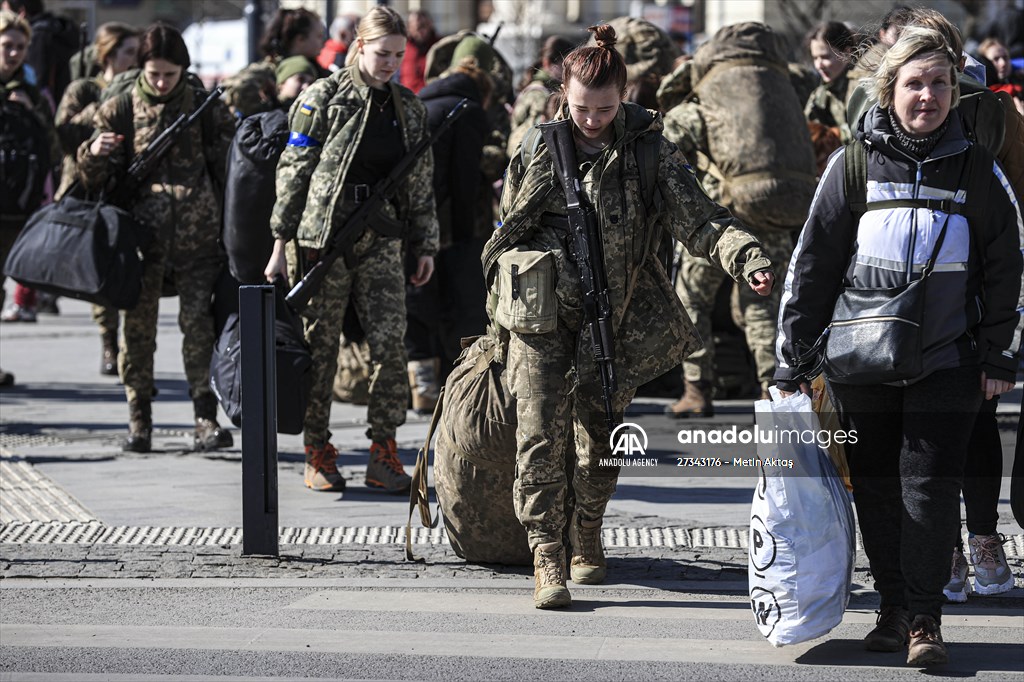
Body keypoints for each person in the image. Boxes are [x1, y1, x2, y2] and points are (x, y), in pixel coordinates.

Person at [488, 24, 774, 609]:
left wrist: (746, 256)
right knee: (538, 436)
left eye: (604, 108)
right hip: (542, 320)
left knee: (602, 440)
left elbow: (700, 219)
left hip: (612, 320)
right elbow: (504, 236)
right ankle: (547, 553)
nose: (591, 119)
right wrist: (502, 317)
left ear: (625, 97)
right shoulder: (538, 147)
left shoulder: (648, 152)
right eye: (580, 108)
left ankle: (586, 531)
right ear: (562, 96)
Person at [774, 27, 1022, 667]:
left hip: (949, 361)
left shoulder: (978, 168)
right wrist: (793, 358)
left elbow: (1007, 267)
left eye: (941, 83)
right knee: (878, 488)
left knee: (929, 488)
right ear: (890, 90)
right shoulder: (852, 164)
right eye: (916, 83)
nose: (930, 96)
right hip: (860, 362)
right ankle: (891, 610)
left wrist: (999, 356)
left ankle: (926, 622)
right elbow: (813, 266)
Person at [264, 5, 438, 495]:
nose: (391, 64)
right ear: (359, 46)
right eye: (383, 54)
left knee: (389, 346)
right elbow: (293, 172)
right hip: (323, 242)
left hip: (382, 239)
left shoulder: (409, 106)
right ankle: (317, 448)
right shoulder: (323, 98)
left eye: (398, 56)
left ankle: (383, 450)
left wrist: (425, 243)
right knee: (321, 350)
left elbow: (420, 184)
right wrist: (280, 242)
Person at [76, 23, 236, 454]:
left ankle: (205, 419)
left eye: (171, 74)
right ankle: (139, 419)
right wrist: (93, 154)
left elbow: (231, 168)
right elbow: (90, 180)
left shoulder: (204, 106)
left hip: (200, 244)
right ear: (141, 69)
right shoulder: (119, 109)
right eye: (154, 74)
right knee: (138, 333)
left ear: (184, 70)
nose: (162, 82)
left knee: (198, 329)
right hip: (141, 244)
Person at [406, 54, 493, 413]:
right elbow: (464, 178)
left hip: (413, 220)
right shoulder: (467, 110)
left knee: (419, 300)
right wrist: (464, 236)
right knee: (462, 305)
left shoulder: (419, 103)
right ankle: (462, 385)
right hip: (450, 226)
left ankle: (421, 386)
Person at [53, 21, 140, 376]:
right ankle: (108, 340)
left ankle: (131, 349)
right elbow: (63, 132)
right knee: (99, 268)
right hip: (88, 188)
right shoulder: (84, 88)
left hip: (128, 186)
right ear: (108, 54)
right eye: (129, 52)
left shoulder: (141, 88)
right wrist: (103, 106)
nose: (135, 60)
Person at [0, 7, 54, 383]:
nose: (13, 54)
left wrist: (31, 112)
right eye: (6, 46)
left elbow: (53, 147)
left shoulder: (32, 93)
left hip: (17, 209)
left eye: (20, 47)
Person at [507, 35, 573, 156]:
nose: (570, 71)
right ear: (547, 63)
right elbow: (535, 135)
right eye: (565, 66)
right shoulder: (540, 94)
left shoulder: (546, 88)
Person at [804, 21, 857, 143]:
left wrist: (834, 135)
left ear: (847, 53)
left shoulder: (862, 87)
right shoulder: (821, 94)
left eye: (825, 57)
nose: (819, 65)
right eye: (815, 58)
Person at [399, 9, 438, 94]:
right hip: (407, 97)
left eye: (423, 26)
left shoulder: (439, 46)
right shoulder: (402, 47)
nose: (420, 31)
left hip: (430, 96)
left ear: (430, 25)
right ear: (409, 27)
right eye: (415, 27)